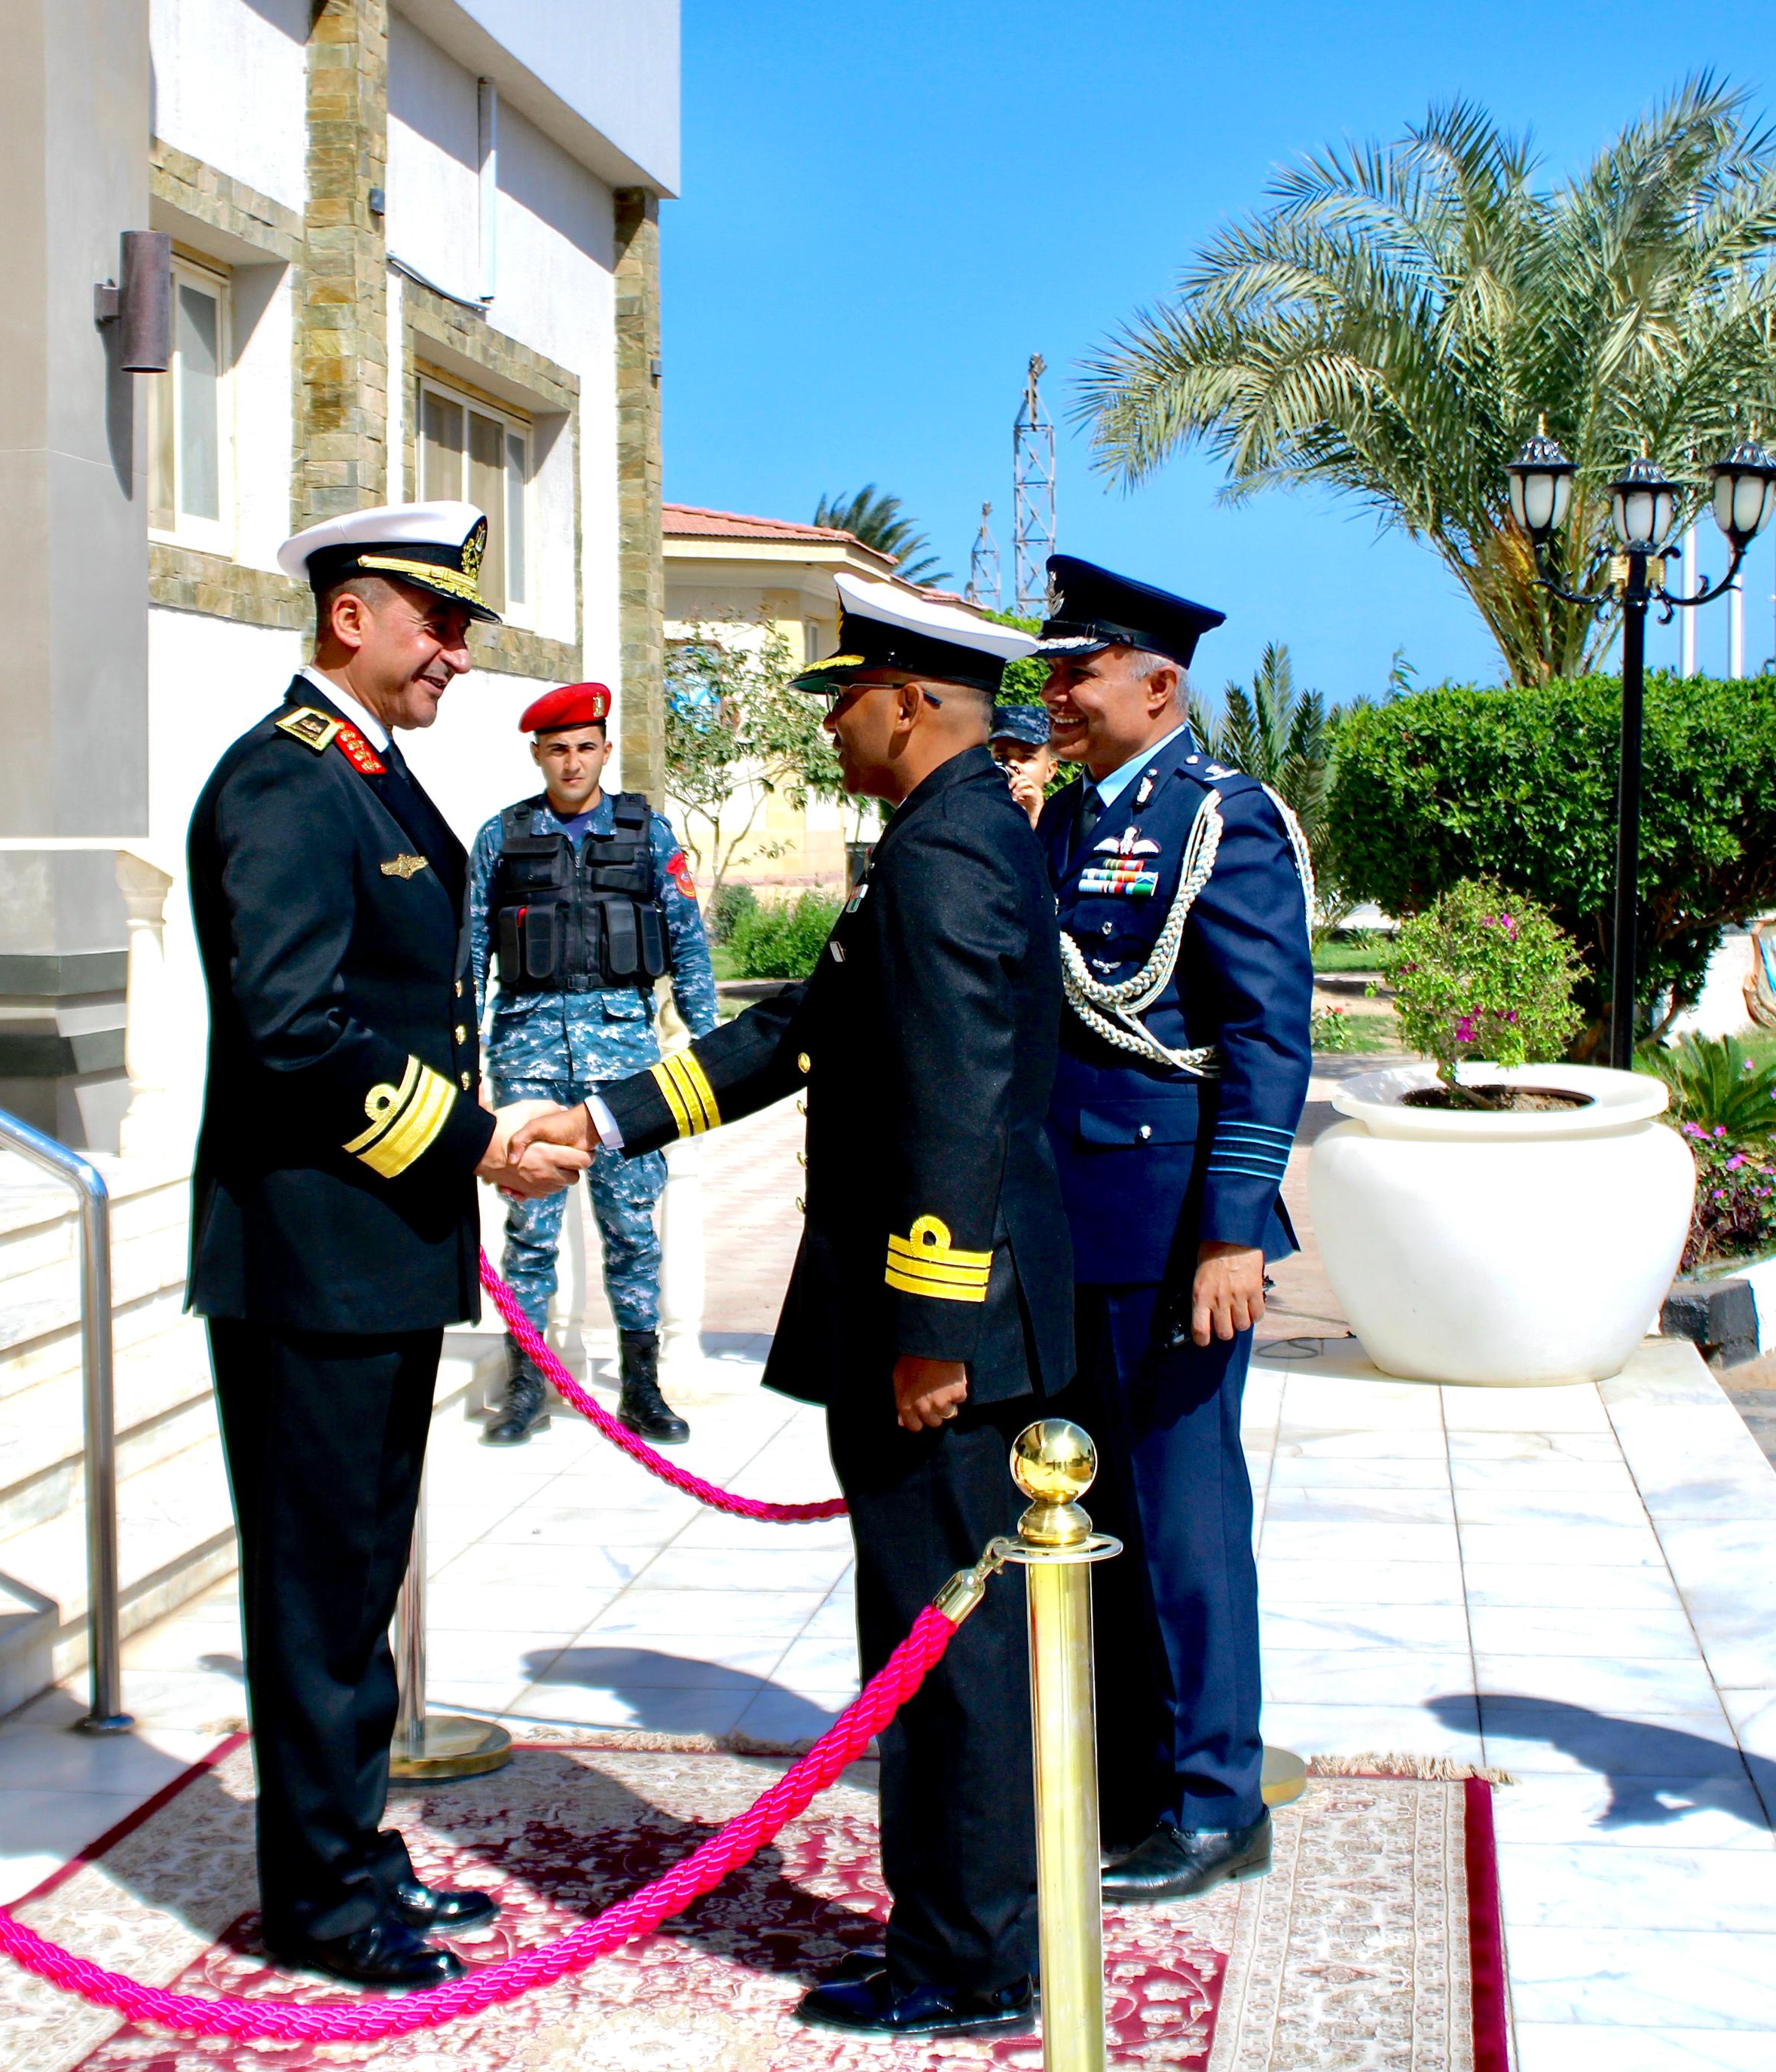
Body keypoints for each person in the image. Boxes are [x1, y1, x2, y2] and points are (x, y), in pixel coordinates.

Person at [509, 573, 1074, 2040]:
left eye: (846, 706)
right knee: (939, 1643)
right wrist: (609, 1119)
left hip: (940, 1343)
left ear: (908, 702)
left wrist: (933, 1336)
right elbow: (791, 1036)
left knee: (941, 1656)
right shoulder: (941, 841)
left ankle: (967, 1961)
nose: (832, 733)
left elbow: (957, 1109)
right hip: (941, 1327)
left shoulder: (949, 859)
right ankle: (974, 1933)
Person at [185, 500, 588, 1990]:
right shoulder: (284, 786)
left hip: (369, 1249)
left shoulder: (369, 778)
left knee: (351, 1582)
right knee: (316, 1589)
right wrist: (472, 1137)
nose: (459, 654)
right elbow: (295, 1031)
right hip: (309, 1260)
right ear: (350, 614)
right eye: (439, 621)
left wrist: (478, 1125)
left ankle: (350, 1850)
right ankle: (322, 1898)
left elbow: (400, 1010)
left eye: (465, 626)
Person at [1028, 554, 1312, 1903]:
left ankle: (1217, 1795)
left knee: (1186, 1518)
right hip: (1076, 1222)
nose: (1056, 694)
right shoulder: (1065, 820)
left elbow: (1264, 1034)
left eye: (1075, 671)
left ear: (1158, 680)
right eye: (1051, 673)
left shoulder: (1221, 819)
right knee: (1107, 1518)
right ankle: (1139, 1779)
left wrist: (1233, 1228)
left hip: (1174, 1224)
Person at [466, 680, 720, 1447]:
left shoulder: (649, 835)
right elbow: (470, 954)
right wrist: (461, 1060)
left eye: (585, 748)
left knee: (632, 1227)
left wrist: (712, 1054)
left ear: (605, 750)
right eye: (556, 750)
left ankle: (640, 1385)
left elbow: (686, 944)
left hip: (624, 1060)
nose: (571, 763)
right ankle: (524, 1383)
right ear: (537, 755)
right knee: (531, 1230)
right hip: (528, 1058)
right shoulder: (500, 838)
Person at [988, 701, 1060, 823]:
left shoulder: (1065, 822)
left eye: (1026, 757)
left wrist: (1036, 819)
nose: (1012, 765)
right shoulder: (970, 809)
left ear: (1049, 771)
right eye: (1001, 758)